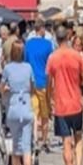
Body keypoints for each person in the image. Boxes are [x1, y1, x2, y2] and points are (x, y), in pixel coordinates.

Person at [46, 31, 83, 165]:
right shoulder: (77, 56)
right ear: (68, 39)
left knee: (66, 142)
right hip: (76, 103)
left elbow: (49, 82)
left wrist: (49, 101)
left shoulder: (53, 58)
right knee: (78, 137)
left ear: (57, 40)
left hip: (61, 106)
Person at [1, 38, 35, 165]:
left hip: (13, 108)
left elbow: (2, 88)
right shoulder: (28, 67)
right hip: (26, 107)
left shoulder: (7, 68)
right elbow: (33, 87)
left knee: (15, 145)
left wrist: (9, 88)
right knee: (27, 146)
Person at [24, 23, 54, 152]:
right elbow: (51, 65)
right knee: (45, 113)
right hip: (44, 82)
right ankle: (45, 139)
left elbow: (25, 62)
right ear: (41, 30)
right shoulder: (48, 44)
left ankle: (35, 138)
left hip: (31, 82)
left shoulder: (28, 44)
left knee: (34, 112)